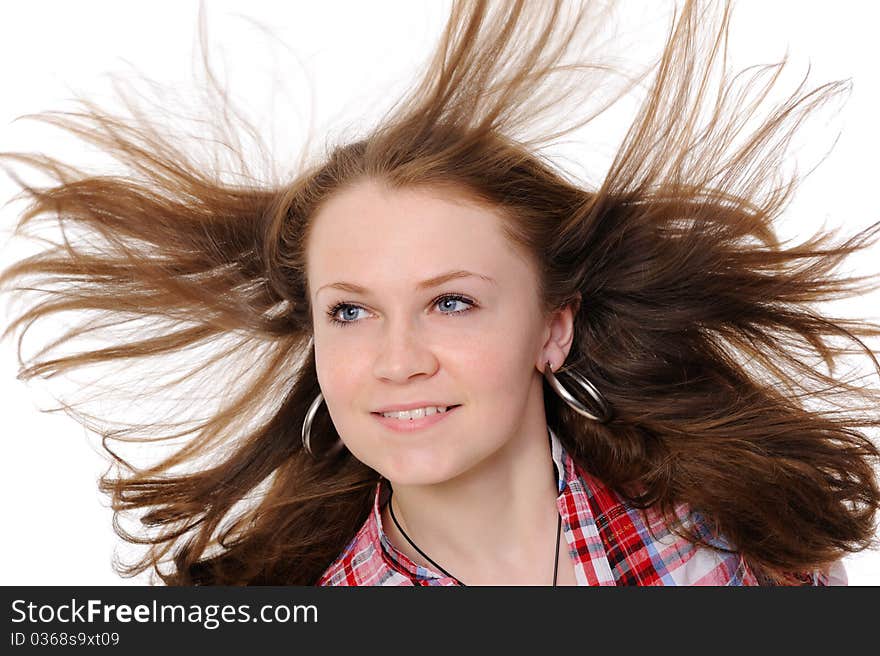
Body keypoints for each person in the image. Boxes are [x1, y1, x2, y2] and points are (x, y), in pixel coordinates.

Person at [1, 0, 878, 586]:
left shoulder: (732, 545)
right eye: (350, 312)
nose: (396, 360)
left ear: (552, 330)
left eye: (451, 303)